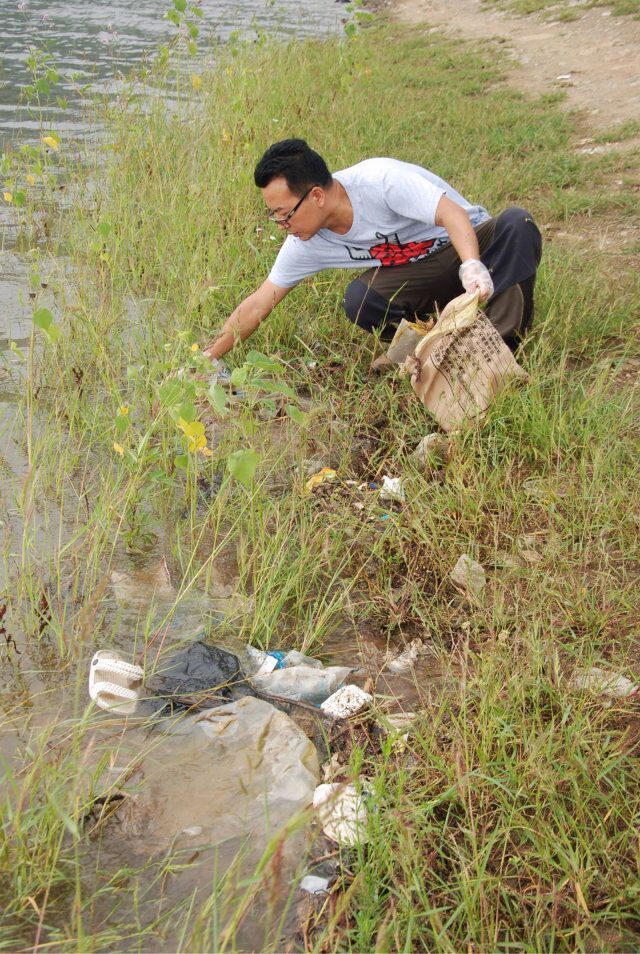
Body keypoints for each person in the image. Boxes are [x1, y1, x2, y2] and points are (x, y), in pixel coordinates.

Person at [203, 139, 542, 366]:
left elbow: (451, 214)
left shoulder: (381, 182)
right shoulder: (306, 240)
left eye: (285, 213)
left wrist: (471, 264)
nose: (282, 224)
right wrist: (206, 360)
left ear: (317, 196)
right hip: (423, 274)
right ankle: (430, 350)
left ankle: (498, 348)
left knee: (517, 222)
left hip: (470, 245)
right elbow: (259, 303)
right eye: (274, 216)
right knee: (360, 299)